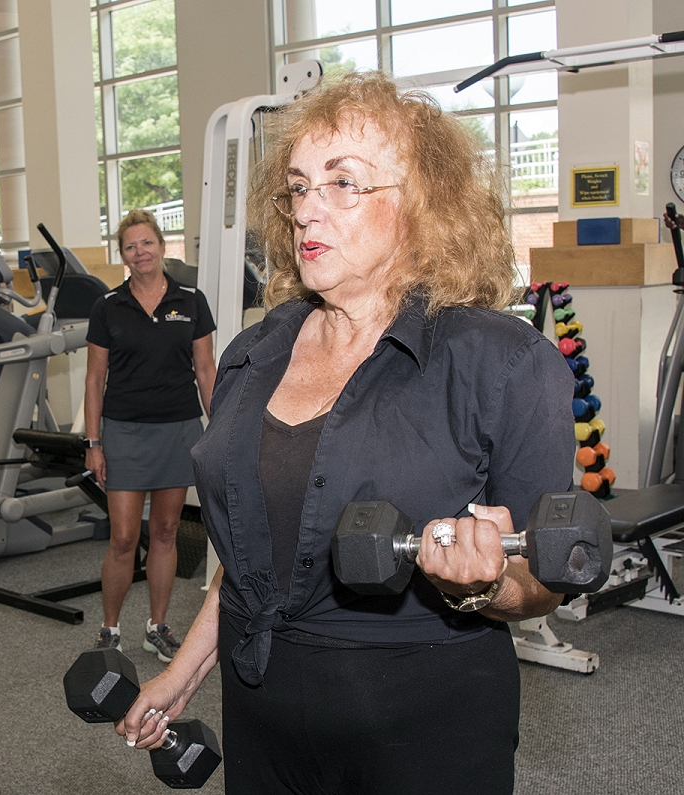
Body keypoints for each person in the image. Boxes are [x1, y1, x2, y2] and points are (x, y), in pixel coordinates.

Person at [116, 71, 574, 794]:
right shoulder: (251, 355)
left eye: (342, 183)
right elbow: (252, 550)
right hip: (262, 716)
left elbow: (543, 579)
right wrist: (184, 671)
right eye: (299, 187)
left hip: (420, 728)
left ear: (422, 207)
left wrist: (483, 586)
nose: (307, 211)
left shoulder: (505, 364)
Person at [84, 209, 217, 661]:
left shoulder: (191, 301)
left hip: (178, 428)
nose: (140, 252)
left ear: (162, 245)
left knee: (164, 532)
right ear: (122, 255)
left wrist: (217, 430)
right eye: (130, 246)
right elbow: (94, 379)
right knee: (123, 538)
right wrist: (93, 443)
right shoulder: (107, 306)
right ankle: (110, 628)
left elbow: (205, 369)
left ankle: (157, 627)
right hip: (123, 431)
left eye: (146, 243)